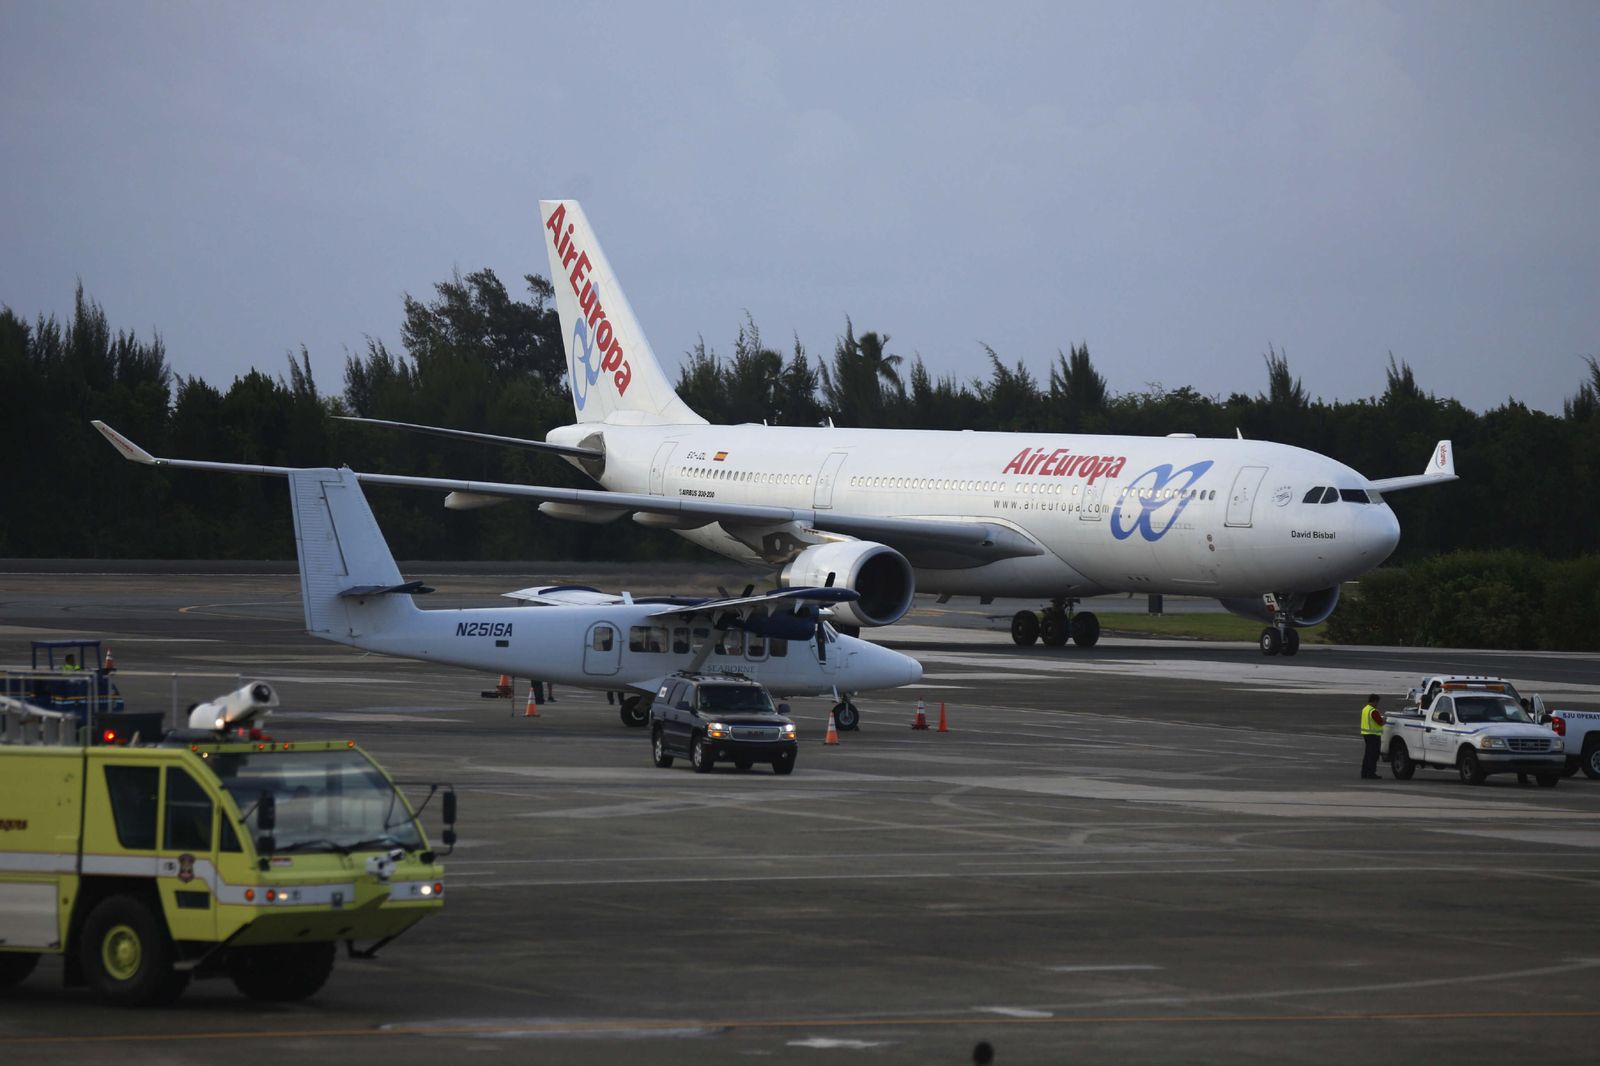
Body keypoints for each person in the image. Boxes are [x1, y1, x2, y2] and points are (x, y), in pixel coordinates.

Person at [1359, 693, 1386, 779]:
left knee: (1367, 754)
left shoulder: (1365, 709)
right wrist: (1384, 721)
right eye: (1377, 702)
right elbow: (1380, 722)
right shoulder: (1373, 711)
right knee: (1373, 755)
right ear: (1374, 701)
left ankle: (1364, 773)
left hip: (1366, 734)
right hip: (1373, 735)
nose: (1377, 704)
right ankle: (1371, 773)